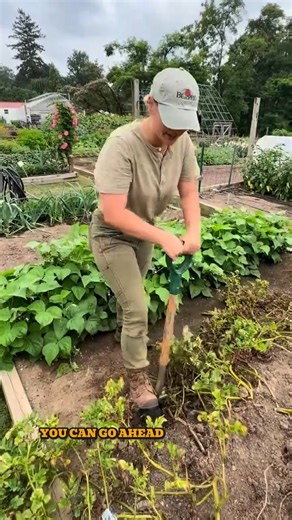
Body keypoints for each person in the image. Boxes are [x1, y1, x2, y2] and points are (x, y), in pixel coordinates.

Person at [89, 67, 201, 414]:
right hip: (112, 235)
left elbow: (188, 191)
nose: (174, 135)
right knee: (138, 307)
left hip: (144, 234)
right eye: (170, 125)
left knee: (130, 305)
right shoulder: (121, 145)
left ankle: (126, 339)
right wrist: (164, 235)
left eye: (182, 126)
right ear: (150, 104)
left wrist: (193, 231)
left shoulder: (181, 142)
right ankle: (137, 378)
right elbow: (114, 213)